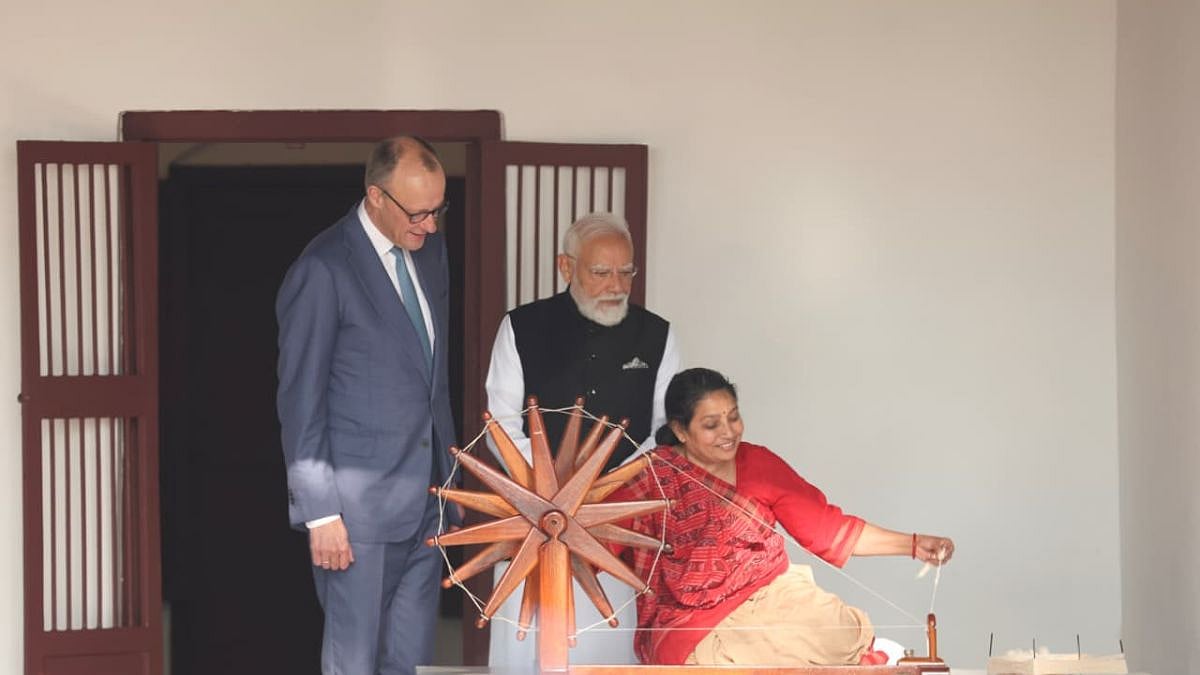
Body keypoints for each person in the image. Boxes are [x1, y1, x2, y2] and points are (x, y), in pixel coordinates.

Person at [609, 367, 956, 667]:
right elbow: (589, 536)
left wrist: (912, 544)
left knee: (838, 631)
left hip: (772, 598)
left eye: (734, 417)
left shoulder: (757, 464)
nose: (729, 432)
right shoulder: (651, 479)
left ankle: (864, 657)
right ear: (681, 431)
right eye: (712, 425)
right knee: (723, 663)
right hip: (692, 623)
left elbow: (827, 528)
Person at [275, 136, 457, 675]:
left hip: (427, 497)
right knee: (353, 664)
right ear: (375, 196)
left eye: (438, 209)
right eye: (418, 212)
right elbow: (299, 400)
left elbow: (431, 380)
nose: (430, 226)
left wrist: (449, 483)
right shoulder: (323, 269)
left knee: (412, 662)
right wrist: (321, 513)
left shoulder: (431, 254)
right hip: (355, 516)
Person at [484, 211, 680, 669]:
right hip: (534, 508)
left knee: (609, 641)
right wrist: (547, 491)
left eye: (625, 272)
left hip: (620, 512)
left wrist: (613, 487)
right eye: (600, 272)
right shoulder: (521, 327)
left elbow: (666, 427)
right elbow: (501, 419)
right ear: (566, 267)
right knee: (528, 645)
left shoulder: (657, 335)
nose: (616, 284)